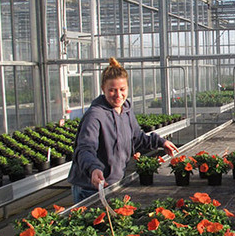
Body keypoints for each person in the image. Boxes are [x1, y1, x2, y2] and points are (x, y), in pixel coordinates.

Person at [67, 57, 178, 203]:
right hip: (90, 187)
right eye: (112, 90)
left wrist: (160, 141)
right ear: (103, 89)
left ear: (128, 88)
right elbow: (84, 149)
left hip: (112, 183)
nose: (118, 95)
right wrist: (93, 169)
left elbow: (137, 137)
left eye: (122, 89)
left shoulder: (125, 110)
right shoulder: (95, 115)